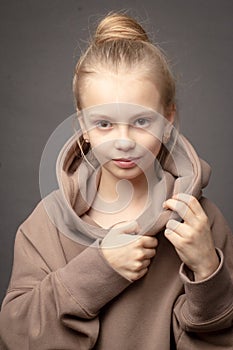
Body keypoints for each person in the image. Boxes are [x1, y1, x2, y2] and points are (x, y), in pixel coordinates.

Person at [0, 12, 232, 350]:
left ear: (168, 120)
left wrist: (207, 270)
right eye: (104, 123)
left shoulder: (201, 222)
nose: (124, 141)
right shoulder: (46, 224)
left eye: (141, 121)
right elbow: (15, 336)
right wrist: (99, 269)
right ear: (82, 125)